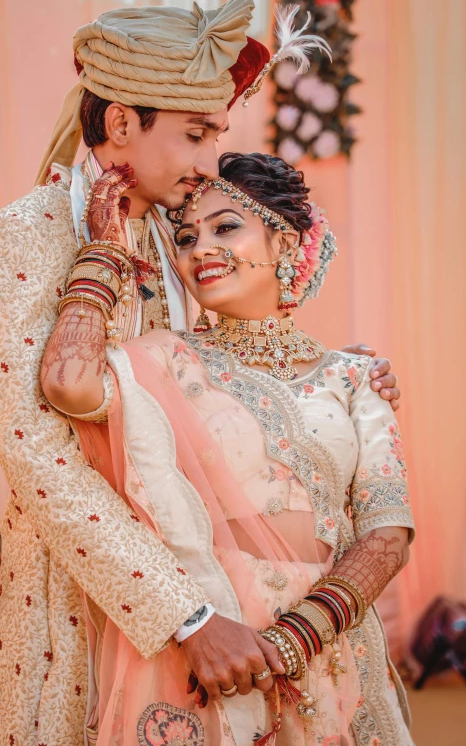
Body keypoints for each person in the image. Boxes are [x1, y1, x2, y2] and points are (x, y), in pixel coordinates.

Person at [0, 0, 401, 746]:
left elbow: (213, 376)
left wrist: (331, 377)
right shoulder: (25, 235)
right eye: (196, 134)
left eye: (215, 137)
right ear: (122, 124)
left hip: (231, 583)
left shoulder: (178, 226)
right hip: (90, 598)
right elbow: (39, 454)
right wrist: (187, 614)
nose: (207, 161)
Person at [44, 151, 415, 745]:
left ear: (286, 242)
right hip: (208, 643)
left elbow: (387, 536)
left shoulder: (354, 377)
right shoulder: (165, 359)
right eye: (186, 238)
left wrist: (293, 641)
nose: (200, 250)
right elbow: (67, 381)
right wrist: (105, 252)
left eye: (226, 227)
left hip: (329, 648)